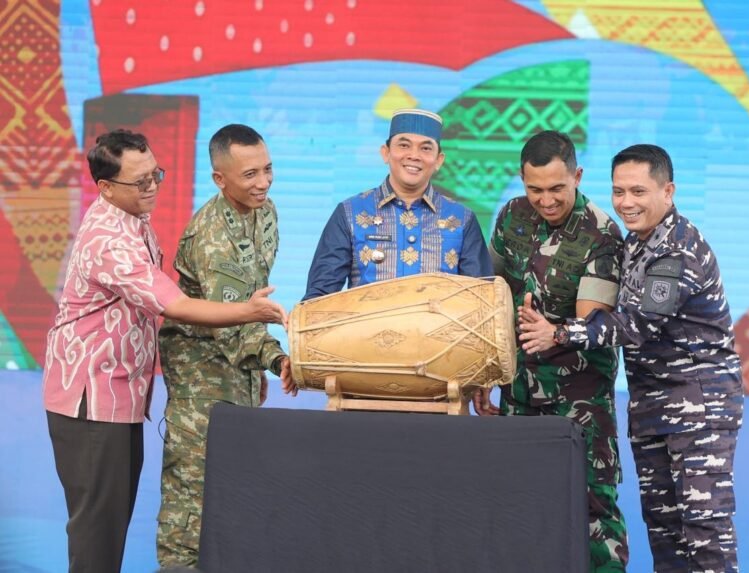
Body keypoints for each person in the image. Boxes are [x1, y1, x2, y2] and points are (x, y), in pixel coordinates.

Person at [43, 129, 287, 573]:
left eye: (156, 174)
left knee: (110, 524)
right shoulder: (109, 239)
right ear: (106, 187)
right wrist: (251, 315)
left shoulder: (131, 215)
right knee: (98, 533)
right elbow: (175, 304)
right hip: (90, 398)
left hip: (120, 395)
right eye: (140, 181)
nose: (152, 187)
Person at [518, 144, 744, 573]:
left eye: (638, 191)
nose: (626, 203)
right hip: (651, 406)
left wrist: (558, 333)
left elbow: (638, 325)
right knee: (665, 530)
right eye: (618, 191)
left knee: (704, 529)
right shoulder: (637, 243)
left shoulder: (676, 250)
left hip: (699, 408)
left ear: (668, 191)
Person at [472, 131, 629, 572]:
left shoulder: (601, 234)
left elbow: (593, 323)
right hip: (517, 393)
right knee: (515, 504)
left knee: (593, 509)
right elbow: (489, 297)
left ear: (577, 176)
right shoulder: (512, 216)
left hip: (579, 400)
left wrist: (553, 333)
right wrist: (483, 373)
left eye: (557, 188)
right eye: (535, 189)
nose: (546, 200)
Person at [155, 124, 293, 567]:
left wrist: (252, 370)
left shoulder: (265, 211)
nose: (263, 182)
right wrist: (274, 358)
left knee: (234, 495)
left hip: (236, 369)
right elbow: (233, 321)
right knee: (191, 503)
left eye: (268, 169)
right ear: (220, 179)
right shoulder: (212, 237)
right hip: (202, 380)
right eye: (250, 174)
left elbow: (251, 296)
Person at [303, 108, 492, 299]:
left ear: (439, 160)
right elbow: (319, 297)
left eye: (426, 148)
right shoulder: (350, 213)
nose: (414, 155)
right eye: (404, 145)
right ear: (385, 153)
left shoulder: (461, 219)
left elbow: (482, 299)